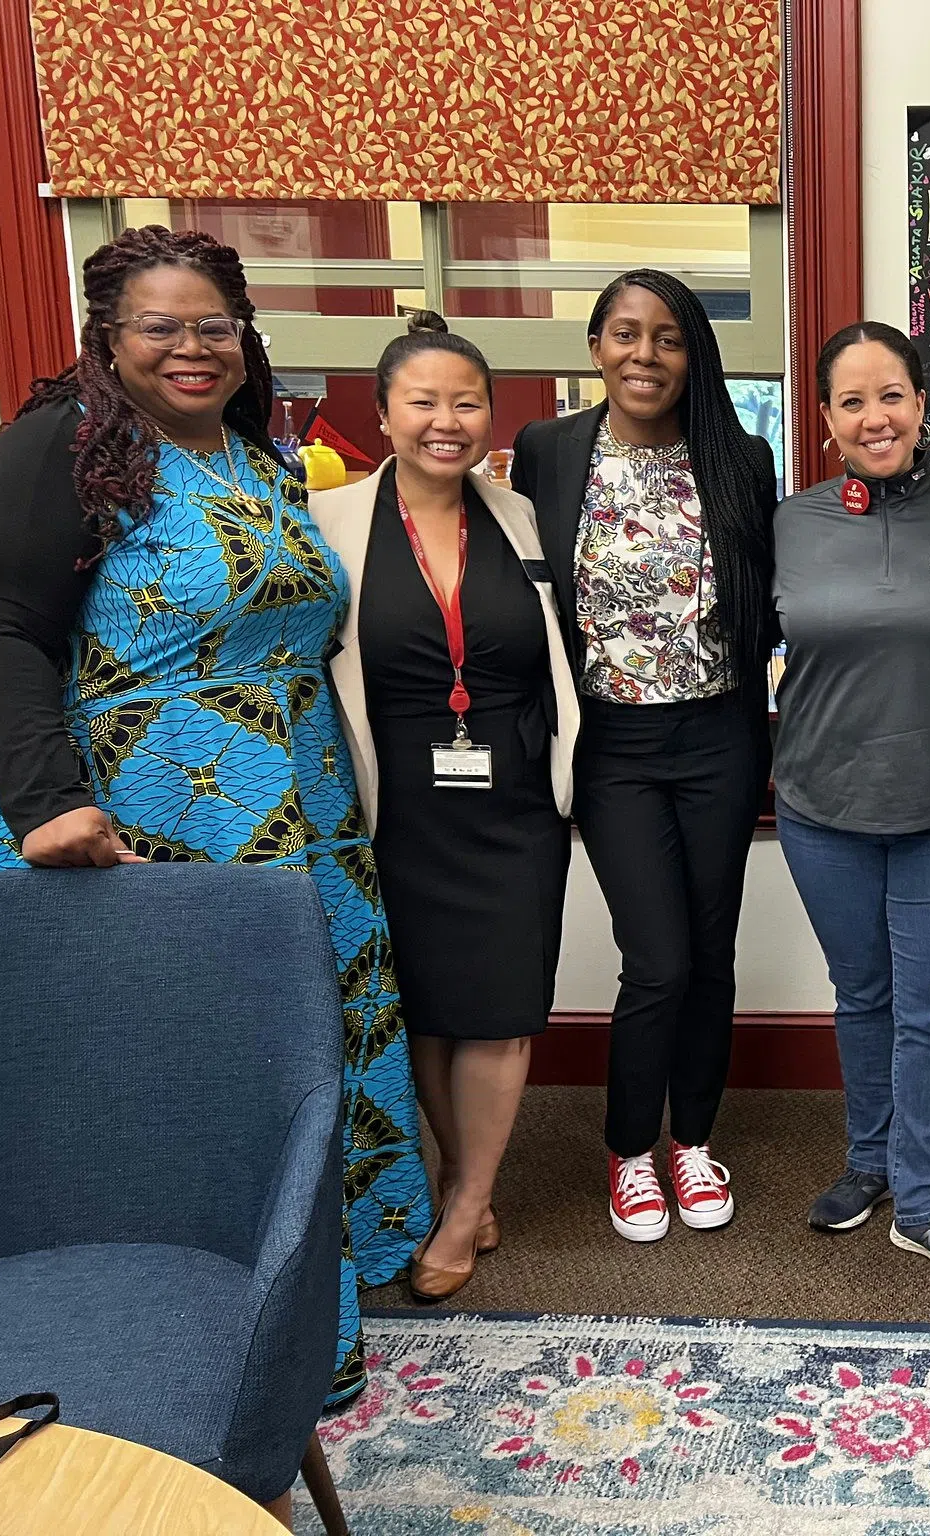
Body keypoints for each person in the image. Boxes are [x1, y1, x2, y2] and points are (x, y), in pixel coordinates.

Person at [0, 226, 429, 1405]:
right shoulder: (61, 446)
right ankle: (156, 1350)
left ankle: (287, 1324)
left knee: (283, 1064)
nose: (190, 347)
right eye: (158, 326)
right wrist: (48, 803)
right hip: (130, 822)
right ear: (107, 341)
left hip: (286, 817)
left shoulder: (258, 458)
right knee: (167, 1084)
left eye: (212, 323)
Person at [311, 314, 577, 1302]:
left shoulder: (520, 516)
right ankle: (464, 1181)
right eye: (422, 401)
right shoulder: (329, 525)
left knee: (501, 1011)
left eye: (466, 401)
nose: (446, 420)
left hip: (512, 798)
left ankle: (463, 1207)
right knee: (425, 1006)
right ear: (383, 415)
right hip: (396, 798)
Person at [511, 269, 776, 1244]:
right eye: (624, 334)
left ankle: (692, 1141)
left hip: (718, 733)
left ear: (691, 354)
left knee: (712, 956)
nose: (644, 355)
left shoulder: (740, 459)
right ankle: (629, 1149)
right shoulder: (546, 451)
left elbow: (766, 605)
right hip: (610, 741)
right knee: (657, 957)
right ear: (594, 348)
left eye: (666, 338)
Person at [773, 322, 930, 1288]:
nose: (876, 416)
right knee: (860, 995)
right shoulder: (791, 522)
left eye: (892, 395)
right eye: (853, 400)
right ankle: (868, 1161)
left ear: (920, 404)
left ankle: (924, 1202)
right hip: (819, 803)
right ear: (827, 418)